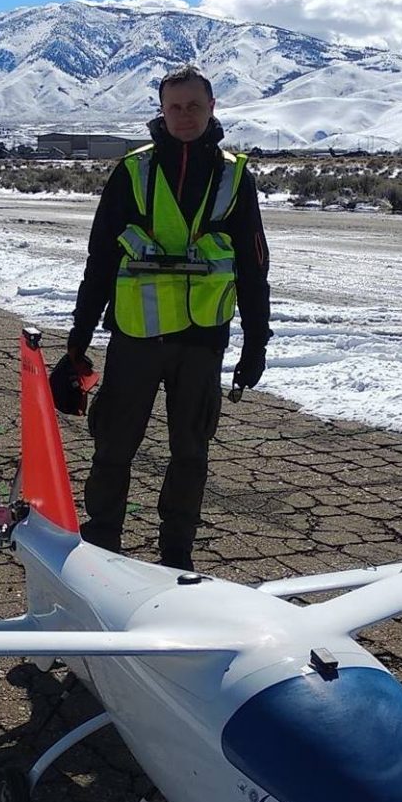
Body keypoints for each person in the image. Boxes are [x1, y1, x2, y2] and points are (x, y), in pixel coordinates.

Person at [67, 64, 272, 571]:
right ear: (160, 110)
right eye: (174, 106)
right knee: (114, 446)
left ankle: (176, 557)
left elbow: (253, 265)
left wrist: (256, 342)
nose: (184, 115)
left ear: (212, 107)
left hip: (202, 340)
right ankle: (102, 550)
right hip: (136, 337)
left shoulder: (233, 176)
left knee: (190, 454)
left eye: (194, 106)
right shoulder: (133, 171)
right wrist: (80, 334)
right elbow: (101, 260)